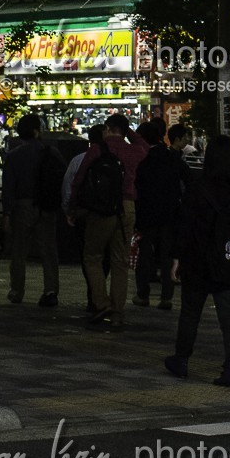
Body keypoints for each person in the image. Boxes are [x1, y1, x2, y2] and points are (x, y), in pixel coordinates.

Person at [165, 135, 230, 385]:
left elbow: (185, 225)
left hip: (197, 259)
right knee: (228, 316)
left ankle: (181, 360)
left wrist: (177, 258)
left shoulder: (197, 186)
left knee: (190, 312)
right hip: (228, 257)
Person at [71, 113, 147, 328]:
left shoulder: (97, 149)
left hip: (102, 208)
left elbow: (80, 178)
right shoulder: (134, 150)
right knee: (120, 260)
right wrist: (127, 131)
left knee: (93, 255)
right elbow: (143, 144)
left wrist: (73, 207)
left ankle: (102, 302)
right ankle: (117, 313)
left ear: (107, 128)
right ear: (124, 130)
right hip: (127, 206)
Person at [2, 114, 64, 308]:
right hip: (46, 206)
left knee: (19, 251)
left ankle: (17, 290)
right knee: (49, 251)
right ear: (38, 131)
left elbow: (8, 187)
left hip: (22, 206)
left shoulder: (14, 155)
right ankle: (50, 289)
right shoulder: (51, 153)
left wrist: (7, 213)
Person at [133, 119, 184, 311]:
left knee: (145, 255)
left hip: (146, 214)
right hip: (170, 213)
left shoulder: (142, 158)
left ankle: (143, 294)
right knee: (167, 255)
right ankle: (166, 297)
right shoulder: (172, 157)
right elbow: (187, 180)